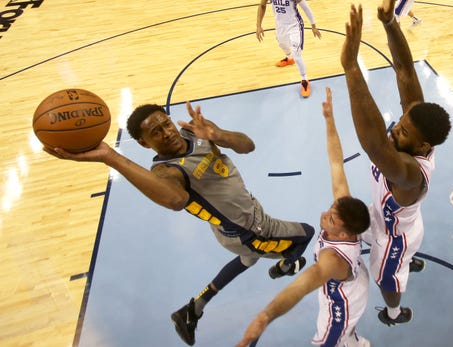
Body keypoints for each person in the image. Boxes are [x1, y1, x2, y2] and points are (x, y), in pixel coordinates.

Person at [45, 101, 314, 346]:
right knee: (305, 234)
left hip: (240, 222)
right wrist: (110, 157)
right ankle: (285, 266)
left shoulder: (195, 133)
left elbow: (247, 145)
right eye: (156, 133)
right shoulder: (166, 170)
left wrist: (218, 135)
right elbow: (174, 199)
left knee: (247, 260)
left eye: (166, 124)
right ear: (143, 144)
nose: (167, 132)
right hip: (248, 231)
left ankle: (194, 308)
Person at [340, 0, 451, 326]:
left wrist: (350, 68)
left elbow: (374, 144)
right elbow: (404, 69)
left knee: (386, 279)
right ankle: (408, 261)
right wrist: (390, 23)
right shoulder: (418, 126)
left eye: (401, 131)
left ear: (421, 145)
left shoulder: (409, 174)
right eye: (400, 123)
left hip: (393, 238)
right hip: (393, 220)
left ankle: (393, 313)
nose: (394, 130)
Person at [235, 87, 371, 347]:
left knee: (327, 341)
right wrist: (330, 121)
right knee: (349, 337)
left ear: (344, 234)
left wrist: (265, 317)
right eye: (331, 210)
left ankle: (350, 339)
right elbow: (336, 163)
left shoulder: (332, 260)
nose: (324, 214)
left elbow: (301, 286)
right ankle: (355, 342)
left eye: (331, 219)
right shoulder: (345, 214)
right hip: (355, 281)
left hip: (342, 304)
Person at [256, 0, 321, 98]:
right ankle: (289, 58)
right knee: (282, 44)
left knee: (297, 55)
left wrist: (314, 26)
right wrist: (258, 26)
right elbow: (262, 6)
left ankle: (304, 80)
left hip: (295, 26)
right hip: (280, 25)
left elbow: (305, 7)